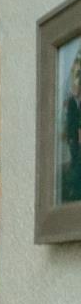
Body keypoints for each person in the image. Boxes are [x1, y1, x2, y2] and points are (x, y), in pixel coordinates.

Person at [63, 56, 81, 203]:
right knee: (75, 159)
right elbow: (70, 121)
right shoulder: (72, 101)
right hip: (73, 137)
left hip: (76, 137)